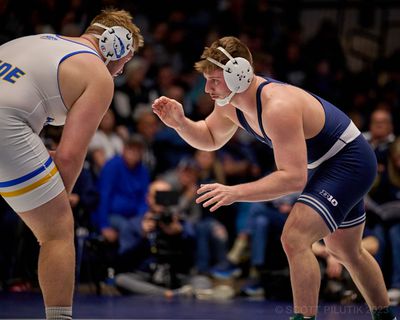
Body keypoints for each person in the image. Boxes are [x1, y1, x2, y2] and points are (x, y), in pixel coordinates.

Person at [152, 36, 397, 320]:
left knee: (295, 238)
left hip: (349, 161)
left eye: (215, 80)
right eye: (206, 80)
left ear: (238, 74)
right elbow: (209, 137)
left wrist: (236, 192)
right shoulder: (231, 102)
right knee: (345, 250)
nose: (207, 89)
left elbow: (292, 179)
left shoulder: (277, 107)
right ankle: (385, 317)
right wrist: (181, 124)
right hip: (330, 164)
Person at [0, 8, 143, 320]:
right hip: (5, 128)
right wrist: (55, 202)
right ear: (114, 45)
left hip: (10, 127)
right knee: (57, 231)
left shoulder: (37, 41)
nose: (120, 71)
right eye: (125, 60)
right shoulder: (97, 74)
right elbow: (68, 157)